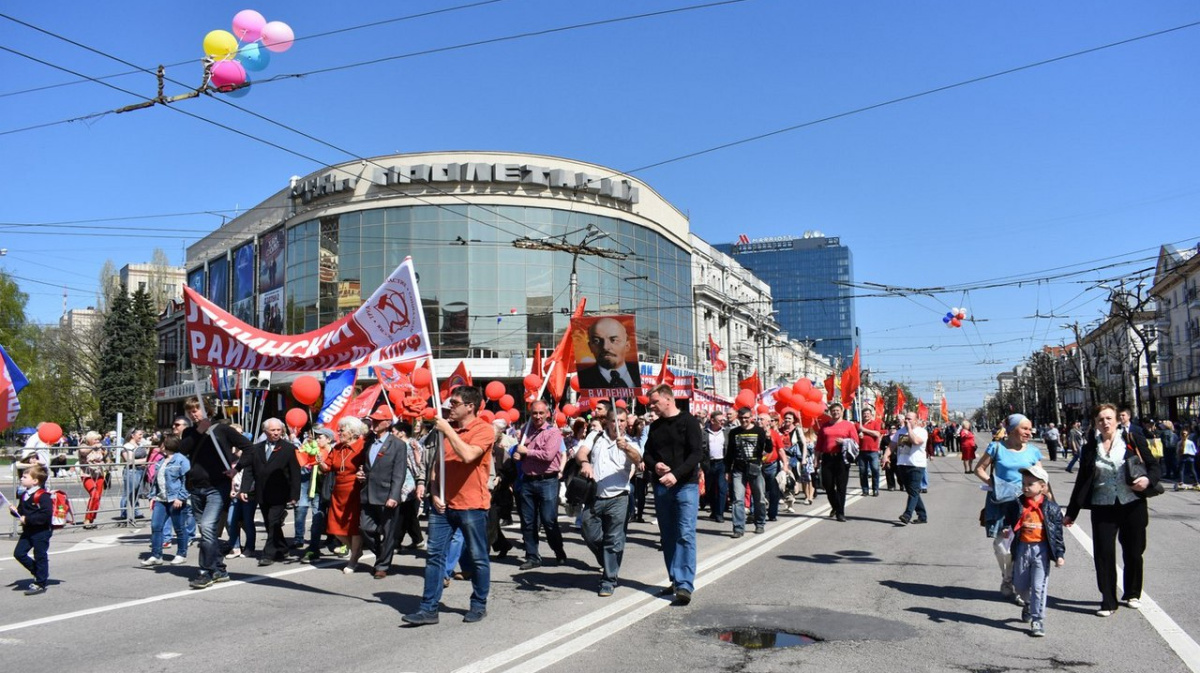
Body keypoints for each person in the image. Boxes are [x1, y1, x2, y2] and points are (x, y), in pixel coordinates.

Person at [403, 385, 495, 626]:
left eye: (454, 403)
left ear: (470, 406)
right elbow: (436, 466)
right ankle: (428, 609)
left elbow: (467, 455)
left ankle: (478, 604)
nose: (448, 407)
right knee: (434, 556)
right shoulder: (445, 431)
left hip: (472, 505)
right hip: (443, 506)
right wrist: (434, 492)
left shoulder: (484, 430)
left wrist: (447, 431)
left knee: (477, 557)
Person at [1064, 403, 1160, 616]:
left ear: (1118, 420)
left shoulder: (1133, 441)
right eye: (1100, 419)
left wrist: (1147, 480)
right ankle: (1108, 600)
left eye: (1109, 418)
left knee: (1134, 551)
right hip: (1103, 506)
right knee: (1104, 554)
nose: (1105, 422)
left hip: (1132, 504)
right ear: (1095, 423)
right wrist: (1072, 512)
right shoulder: (1090, 448)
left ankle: (1132, 593)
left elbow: (1154, 467)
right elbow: (1082, 481)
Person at [641, 383, 704, 605]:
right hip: (661, 487)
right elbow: (646, 454)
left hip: (685, 485)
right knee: (667, 535)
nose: (652, 407)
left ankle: (685, 584)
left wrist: (676, 475)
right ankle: (676, 579)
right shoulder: (655, 427)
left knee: (685, 533)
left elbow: (697, 453)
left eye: (655, 403)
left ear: (668, 399)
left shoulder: (689, 422)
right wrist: (655, 464)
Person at [179, 397, 251, 590]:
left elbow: (249, 447)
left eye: (197, 409)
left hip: (217, 486)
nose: (194, 413)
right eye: (190, 411)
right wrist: (198, 432)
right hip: (196, 486)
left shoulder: (222, 430)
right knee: (205, 531)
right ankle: (219, 568)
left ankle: (205, 572)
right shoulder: (189, 432)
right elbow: (182, 449)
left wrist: (237, 467)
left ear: (207, 410)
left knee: (208, 527)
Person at [975, 414, 1043, 605]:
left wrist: (1048, 502)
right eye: (1025, 429)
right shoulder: (997, 447)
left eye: (1030, 429)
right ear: (1013, 430)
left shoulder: (1033, 452)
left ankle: (1020, 589)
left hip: (1025, 504)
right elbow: (979, 469)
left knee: (1023, 547)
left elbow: (1041, 478)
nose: (1029, 433)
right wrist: (994, 484)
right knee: (1002, 547)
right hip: (1000, 503)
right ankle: (1007, 575)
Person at [577, 406, 642, 597]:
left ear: (626, 423)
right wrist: (585, 463)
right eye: (614, 420)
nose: (617, 425)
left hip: (619, 497)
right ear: (607, 421)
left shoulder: (630, 442)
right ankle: (607, 560)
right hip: (595, 495)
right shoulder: (595, 437)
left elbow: (638, 460)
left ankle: (608, 580)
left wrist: (627, 448)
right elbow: (581, 453)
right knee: (589, 533)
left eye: (622, 421)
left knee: (614, 539)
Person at [1001, 465, 1065, 637]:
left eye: (1030, 484)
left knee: (1039, 586)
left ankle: (1037, 619)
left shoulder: (1051, 508)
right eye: (1024, 483)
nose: (1025, 487)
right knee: (1020, 585)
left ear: (1042, 486)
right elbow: (1008, 521)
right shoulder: (1016, 504)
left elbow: (1057, 533)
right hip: (1022, 547)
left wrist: (1059, 554)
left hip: (1041, 549)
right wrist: (1007, 529)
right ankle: (1028, 603)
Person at [237, 418, 300, 567]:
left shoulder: (288, 448)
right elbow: (249, 470)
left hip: (280, 492)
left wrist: (294, 495)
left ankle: (268, 554)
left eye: (278, 430)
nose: (276, 433)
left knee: (273, 521)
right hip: (262, 493)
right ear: (265, 432)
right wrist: (244, 489)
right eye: (273, 430)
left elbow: (295, 473)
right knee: (270, 523)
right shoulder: (256, 448)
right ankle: (283, 548)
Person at [514, 400, 568, 571]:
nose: (537, 416)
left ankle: (558, 551)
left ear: (547, 414)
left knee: (548, 520)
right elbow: (522, 453)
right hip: (528, 481)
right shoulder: (525, 431)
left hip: (547, 481)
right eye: (534, 413)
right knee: (528, 521)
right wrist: (519, 456)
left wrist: (525, 452)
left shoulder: (553, 432)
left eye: (540, 413)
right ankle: (532, 556)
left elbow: (547, 455)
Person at [359, 409, 408, 579]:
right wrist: (361, 474)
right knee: (365, 528)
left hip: (386, 494)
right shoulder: (369, 441)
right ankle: (382, 554)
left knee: (388, 533)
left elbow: (399, 473)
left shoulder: (398, 445)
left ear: (387, 423)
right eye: (373, 420)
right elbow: (366, 466)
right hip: (368, 492)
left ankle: (382, 565)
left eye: (378, 420)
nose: (374, 423)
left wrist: (394, 496)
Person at [324, 417, 368, 574]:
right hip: (338, 491)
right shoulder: (337, 448)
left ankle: (354, 558)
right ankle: (355, 550)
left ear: (353, 432)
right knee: (335, 528)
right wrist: (319, 462)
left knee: (353, 526)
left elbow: (370, 467)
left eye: (342, 430)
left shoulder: (363, 446)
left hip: (355, 490)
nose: (339, 432)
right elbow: (327, 466)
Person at [141, 437, 192, 567]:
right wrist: (152, 496)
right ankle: (156, 555)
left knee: (179, 528)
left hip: (175, 499)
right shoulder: (161, 460)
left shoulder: (181, 460)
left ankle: (181, 554)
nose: (160, 446)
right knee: (156, 526)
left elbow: (187, 480)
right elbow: (156, 481)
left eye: (162, 444)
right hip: (161, 499)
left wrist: (181, 497)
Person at [10, 465, 53, 595]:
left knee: (40, 556)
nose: (21, 479)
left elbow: (45, 515)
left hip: (41, 531)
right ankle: (38, 571)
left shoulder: (43, 495)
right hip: (28, 530)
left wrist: (27, 519)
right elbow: (22, 512)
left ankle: (40, 583)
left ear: (35, 481)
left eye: (24, 477)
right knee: (19, 553)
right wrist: (15, 512)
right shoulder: (24, 495)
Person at [727, 407, 768, 537]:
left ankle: (760, 523)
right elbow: (730, 453)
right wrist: (727, 470)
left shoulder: (759, 431)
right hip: (738, 470)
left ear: (751, 418)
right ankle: (738, 528)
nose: (744, 420)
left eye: (746, 418)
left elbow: (769, 448)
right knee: (738, 500)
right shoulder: (734, 432)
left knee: (759, 498)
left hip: (755, 468)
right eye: (741, 418)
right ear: (738, 418)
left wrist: (768, 438)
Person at [814, 403, 857, 522]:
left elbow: (855, 441)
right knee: (827, 485)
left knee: (841, 486)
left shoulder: (848, 425)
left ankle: (840, 513)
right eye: (833, 411)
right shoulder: (825, 426)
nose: (835, 413)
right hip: (827, 458)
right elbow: (819, 445)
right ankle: (835, 506)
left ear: (842, 411)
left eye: (838, 410)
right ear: (830, 412)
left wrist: (844, 441)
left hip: (841, 459)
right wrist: (816, 459)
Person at [300, 427, 336, 563]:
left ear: (329, 439)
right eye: (317, 437)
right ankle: (314, 549)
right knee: (317, 519)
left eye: (320, 437)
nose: (317, 439)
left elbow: (329, 469)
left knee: (333, 518)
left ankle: (339, 542)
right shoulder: (316, 451)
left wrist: (321, 462)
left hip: (331, 490)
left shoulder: (335, 451)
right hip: (317, 490)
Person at [886, 412, 929, 525]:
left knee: (914, 491)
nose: (906, 421)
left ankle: (907, 515)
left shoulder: (922, 431)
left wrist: (909, 429)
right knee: (912, 491)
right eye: (906, 419)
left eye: (909, 419)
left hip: (916, 465)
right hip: (902, 464)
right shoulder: (900, 431)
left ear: (916, 420)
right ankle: (922, 516)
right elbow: (892, 445)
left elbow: (915, 441)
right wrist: (886, 456)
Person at [575, 317, 642, 390]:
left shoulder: (641, 375)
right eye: (597, 341)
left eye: (613, 340)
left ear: (627, 346)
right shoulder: (584, 379)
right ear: (590, 347)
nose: (605, 347)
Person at [77, 431, 108, 529]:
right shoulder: (83, 446)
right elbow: (83, 452)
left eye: (99, 439)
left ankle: (91, 519)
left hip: (99, 474)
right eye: (95, 439)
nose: (97, 441)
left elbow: (105, 457)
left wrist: (105, 453)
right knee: (93, 494)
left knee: (97, 497)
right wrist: (92, 448)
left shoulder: (99, 448)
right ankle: (87, 519)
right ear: (90, 440)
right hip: (87, 474)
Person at [702, 410, 728, 523]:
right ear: (712, 421)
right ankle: (714, 510)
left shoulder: (726, 432)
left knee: (722, 488)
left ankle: (720, 513)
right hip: (709, 464)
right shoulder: (704, 432)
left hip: (722, 463)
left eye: (723, 420)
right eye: (720, 420)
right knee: (710, 489)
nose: (722, 422)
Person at [119, 429, 148, 522]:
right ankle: (124, 513)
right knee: (128, 493)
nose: (141, 436)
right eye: (139, 434)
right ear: (133, 435)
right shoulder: (127, 446)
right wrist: (145, 460)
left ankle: (136, 511)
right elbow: (130, 461)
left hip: (140, 471)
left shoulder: (140, 445)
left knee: (135, 493)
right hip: (132, 471)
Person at [856, 406, 883, 497]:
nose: (866, 415)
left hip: (873, 451)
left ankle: (875, 489)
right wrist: (858, 434)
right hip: (861, 451)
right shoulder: (858, 424)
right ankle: (865, 490)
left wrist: (864, 430)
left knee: (875, 470)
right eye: (864, 414)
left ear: (871, 415)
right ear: (862, 415)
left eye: (868, 414)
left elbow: (877, 434)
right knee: (863, 472)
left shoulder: (875, 423)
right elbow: (852, 435)